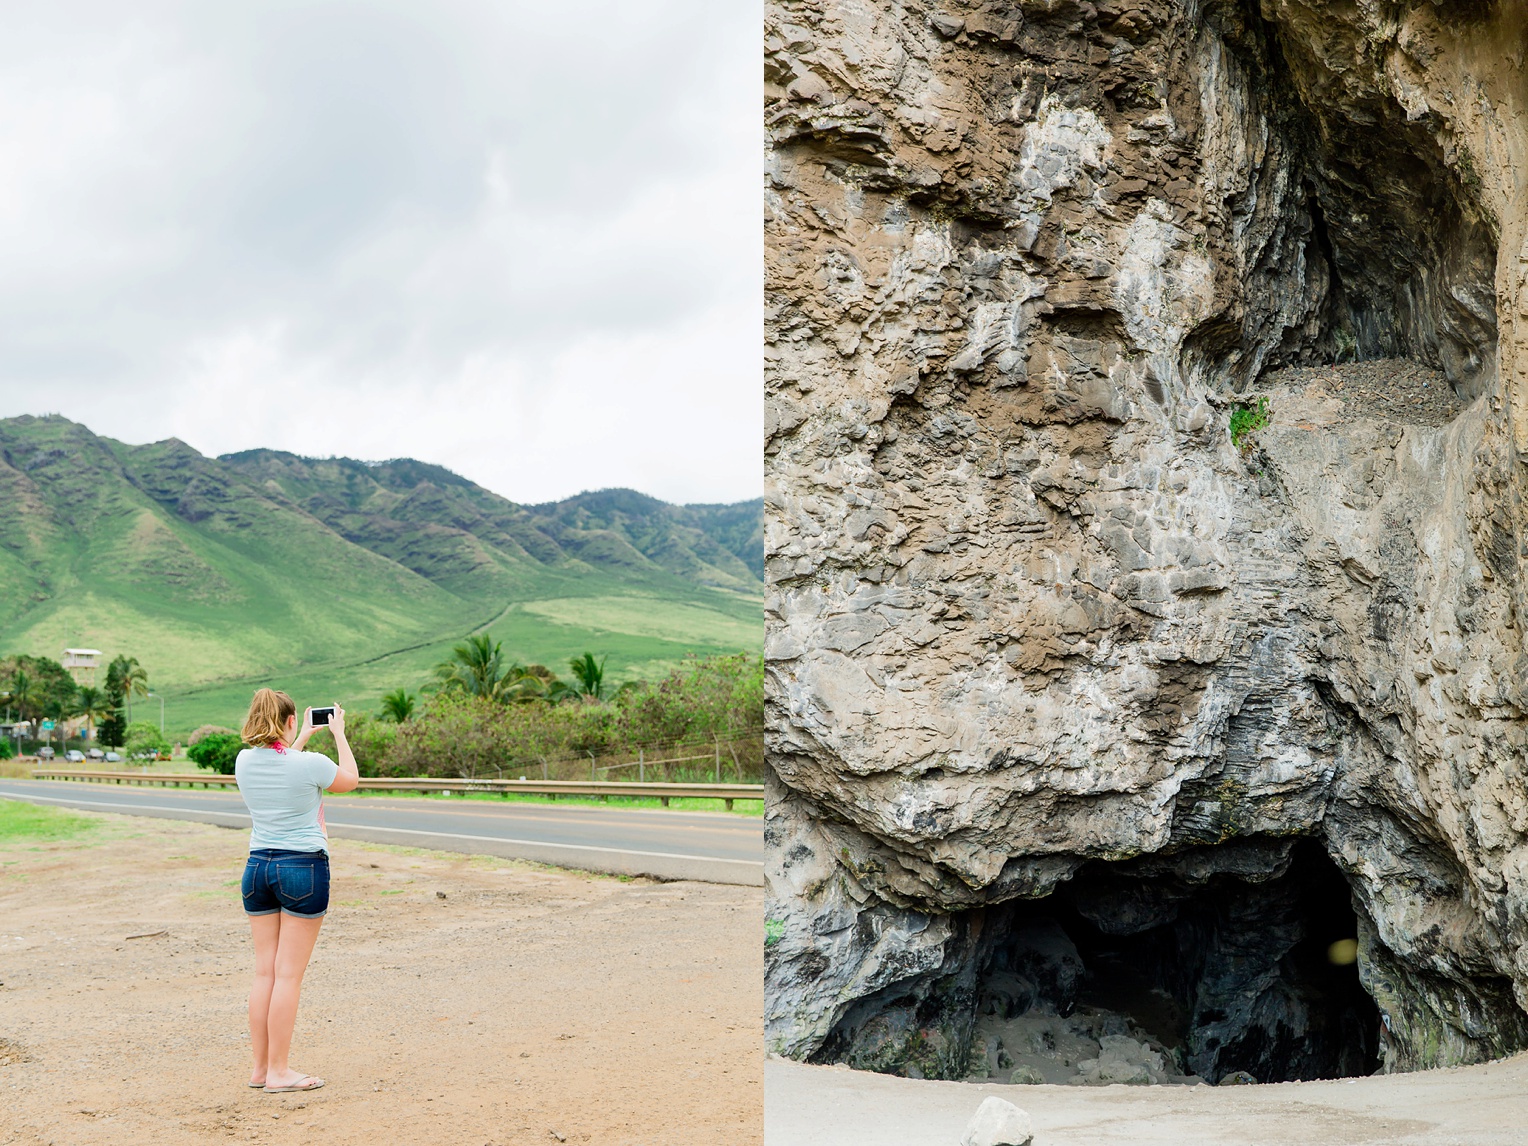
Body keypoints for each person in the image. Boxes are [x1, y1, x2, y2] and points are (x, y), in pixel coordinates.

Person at [234, 688, 358, 1093]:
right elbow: (349, 781)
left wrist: (300, 735)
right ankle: (280, 1072)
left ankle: (259, 1069)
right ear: (289, 721)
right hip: (301, 868)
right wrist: (337, 733)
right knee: (288, 976)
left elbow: (281, 761)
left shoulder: (244, 761)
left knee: (265, 972)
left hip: (258, 868)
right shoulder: (312, 765)